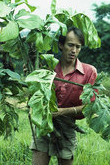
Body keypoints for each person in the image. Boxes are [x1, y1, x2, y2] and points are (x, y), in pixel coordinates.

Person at [30, 27, 97, 165]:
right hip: (43, 123)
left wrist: (62, 112)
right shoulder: (47, 67)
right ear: (61, 45)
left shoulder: (89, 72)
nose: (74, 50)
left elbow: (89, 106)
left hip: (67, 125)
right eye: (70, 45)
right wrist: (31, 75)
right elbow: (34, 94)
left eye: (78, 47)